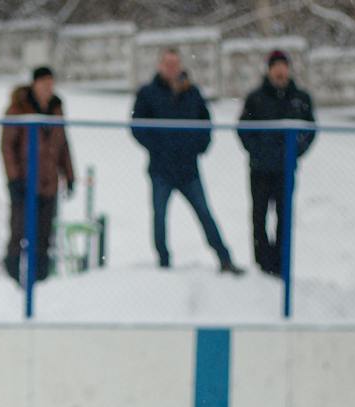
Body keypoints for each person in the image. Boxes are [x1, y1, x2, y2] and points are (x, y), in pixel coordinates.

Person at [131, 48, 242, 275]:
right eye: (167, 64)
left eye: (175, 64)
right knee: (160, 217)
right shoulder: (148, 93)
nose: (171, 68)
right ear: (160, 66)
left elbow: (205, 124)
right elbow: (137, 126)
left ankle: (224, 259)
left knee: (204, 213)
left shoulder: (192, 92)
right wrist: (158, 147)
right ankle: (163, 262)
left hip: (188, 169)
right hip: (160, 169)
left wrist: (197, 147)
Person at [238, 50, 315, 277]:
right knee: (259, 217)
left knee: (284, 218)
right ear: (269, 70)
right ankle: (263, 264)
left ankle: (281, 264)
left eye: (283, 67)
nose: (280, 71)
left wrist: (294, 152)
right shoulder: (256, 98)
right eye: (276, 67)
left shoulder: (300, 99)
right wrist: (258, 151)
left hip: (285, 169)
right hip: (260, 170)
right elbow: (243, 129)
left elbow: (310, 130)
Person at [1, 66, 76, 284]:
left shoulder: (56, 109)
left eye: (51, 84)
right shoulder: (18, 108)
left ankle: (40, 281)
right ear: (35, 84)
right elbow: (7, 146)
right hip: (24, 183)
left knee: (44, 235)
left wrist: (69, 175)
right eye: (44, 83)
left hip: (48, 183)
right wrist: (14, 178)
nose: (48, 88)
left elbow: (62, 145)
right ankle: (13, 279)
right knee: (19, 232)